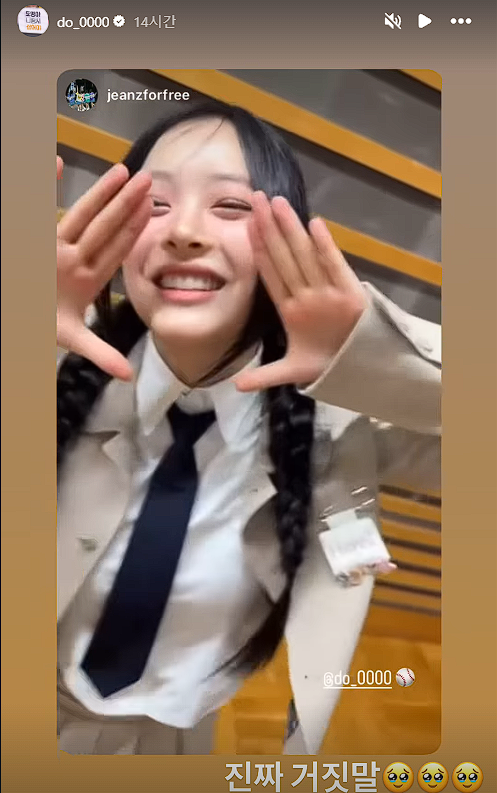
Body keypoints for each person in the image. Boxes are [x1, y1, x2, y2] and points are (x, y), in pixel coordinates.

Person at [56, 101, 441, 755]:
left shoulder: (345, 423)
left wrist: (374, 354)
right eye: (154, 205)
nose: (184, 231)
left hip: (180, 734)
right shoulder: (54, 367)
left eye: (230, 206)